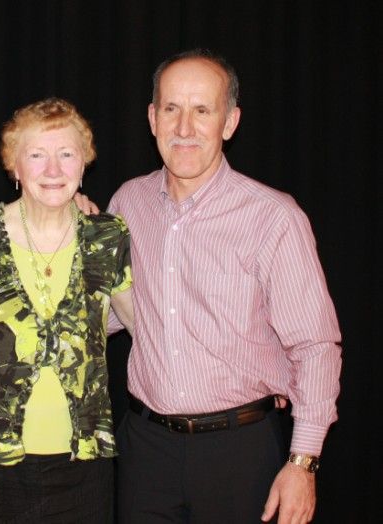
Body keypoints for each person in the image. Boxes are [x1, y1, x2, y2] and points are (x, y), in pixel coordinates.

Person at [107, 49, 342, 523]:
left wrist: (303, 462)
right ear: (152, 118)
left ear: (229, 122)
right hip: (145, 449)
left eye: (202, 110)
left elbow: (315, 346)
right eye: (171, 108)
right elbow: (108, 313)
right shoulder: (128, 203)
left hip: (240, 453)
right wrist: (68, 232)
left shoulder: (274, 217)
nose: (184, 127)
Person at [0, 98, 134, 523]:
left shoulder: (107, 238)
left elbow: (147, 328)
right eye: (36, 155)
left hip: (81, 468)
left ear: (84, 163)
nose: (53, 169)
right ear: (14, 165)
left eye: (66, 154)